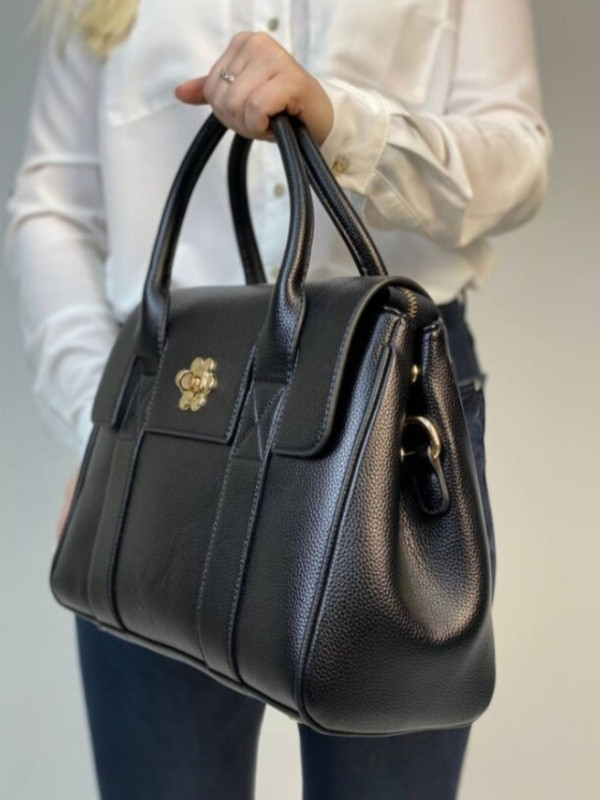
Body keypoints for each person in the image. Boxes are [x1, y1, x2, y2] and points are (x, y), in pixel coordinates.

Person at [4, 0, 551, 797]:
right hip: (173, 417)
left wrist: (343, 127)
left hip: (395, 409)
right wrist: (106, 420)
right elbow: (53, 204)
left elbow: (518, 157)